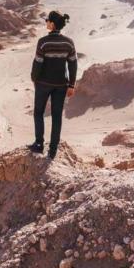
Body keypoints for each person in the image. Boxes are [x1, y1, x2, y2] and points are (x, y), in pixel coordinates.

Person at [28, 10, 77, 159]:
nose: (46, 23)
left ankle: (39, 144)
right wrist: (71, 85)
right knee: (57, 116)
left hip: (43, 83)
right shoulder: (69, 42)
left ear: (53, 24)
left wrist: (33, 78)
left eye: (48, 20)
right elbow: (73, 64)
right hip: (61, 85)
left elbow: (38, 63)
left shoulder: (43, 42)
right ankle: (53, 150)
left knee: (38, 112)